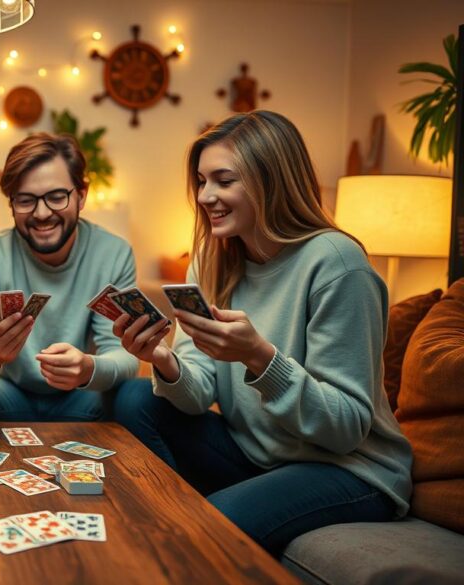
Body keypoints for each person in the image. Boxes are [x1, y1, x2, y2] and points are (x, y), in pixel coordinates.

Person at [113, 110, 413, 556]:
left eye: (223, 180)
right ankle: (172, 521)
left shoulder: (337, 265)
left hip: (349, 468)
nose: (205, 196)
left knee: (208, 529)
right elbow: (198, 395)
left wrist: (261, 358)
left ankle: (198, 526)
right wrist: (165, 361)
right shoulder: (211, 260)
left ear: (270, 181)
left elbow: (346, 428)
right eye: (201, 181)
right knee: (134, 398)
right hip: (256, 456)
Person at [0, 133, 141, 421]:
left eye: (56, 197)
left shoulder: (113, 253)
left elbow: (123, 355)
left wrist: (86, 369)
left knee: (134, 396)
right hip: (8, 396)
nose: (42, 213)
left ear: (81, 196)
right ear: (11, 204)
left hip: (81, 398)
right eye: (26, 200)